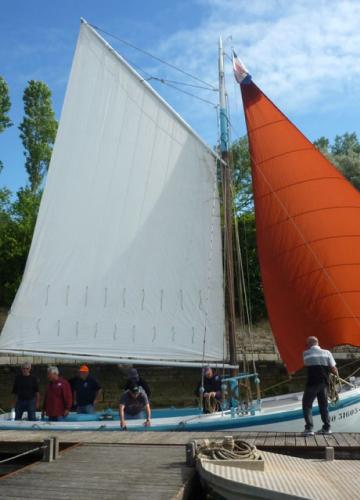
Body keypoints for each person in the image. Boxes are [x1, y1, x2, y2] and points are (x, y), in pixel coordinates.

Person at [302, 336, 338, 436]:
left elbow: (307, 364)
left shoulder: (305, 354)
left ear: (309, 344)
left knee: (307, 405)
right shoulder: (327, 353)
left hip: (312, 384)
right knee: (323, 406)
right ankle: (327, 428)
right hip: (324, 384)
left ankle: (309, 429)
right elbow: (334, 369)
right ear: (317, 343)